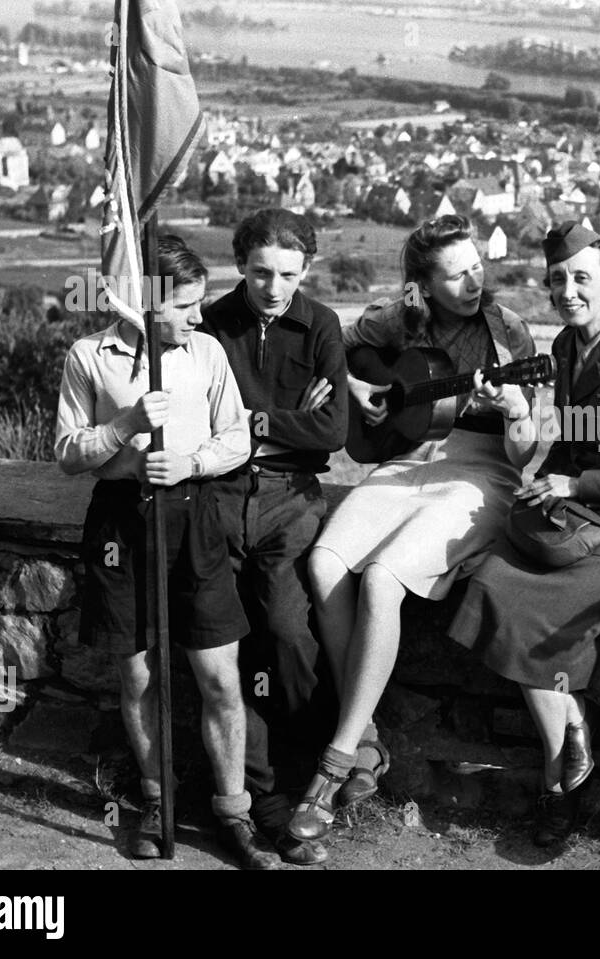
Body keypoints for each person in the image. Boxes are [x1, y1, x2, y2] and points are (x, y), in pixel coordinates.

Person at [287, 214, 537, 839]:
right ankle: (369, 737)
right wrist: (353, 383)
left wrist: (514, 415)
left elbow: (525, 455)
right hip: (403, 460)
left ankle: (336, 760)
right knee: (322, 565)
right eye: (456, 275)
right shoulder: (395, 320)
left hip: (479, 472)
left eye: (477, 266)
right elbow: (329, 340)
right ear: (422, 285)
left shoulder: (510, 335)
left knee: (382, 578)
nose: (475, 281)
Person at [449, 222, 600, 846]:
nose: (568, 290)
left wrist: (573, 489)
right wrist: (543, 473)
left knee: (522, 608)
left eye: (582, 277)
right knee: (492, 580)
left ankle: (557, 789)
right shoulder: (571, 348)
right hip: (575, 521)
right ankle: (574, 732)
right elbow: (575, 448)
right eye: (558, 279)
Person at [55, 235, 278, 869]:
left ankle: (234, 813)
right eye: (183, 306)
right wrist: (124, 428)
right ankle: (157, 803)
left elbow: (238, 436)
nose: (197, 317)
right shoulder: (89, 356)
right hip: (122, 526)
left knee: (218, 676)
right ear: (145, 303)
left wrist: (190, 462)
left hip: (195, 519)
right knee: (139, 675)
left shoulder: (207, 353)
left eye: (199, 303)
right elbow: (68, 453)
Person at [200, 208, 351, 866]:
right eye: (260, 271)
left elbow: (333, 432)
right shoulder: (212, 322)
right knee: (231, 647)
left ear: (306, 270)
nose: (273, 286)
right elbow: (199, 420)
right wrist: (285, 418)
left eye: (288, 273)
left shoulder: (319, 324)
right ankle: (255, 795)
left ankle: (303, 788)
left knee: (289, 634)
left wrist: (253, 420)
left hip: (292, 497)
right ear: (240, 265)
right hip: (221, 492)